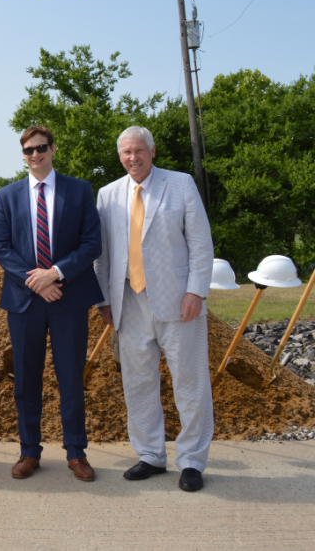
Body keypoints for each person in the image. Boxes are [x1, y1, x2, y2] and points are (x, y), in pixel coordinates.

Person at [94, 126, 214, 492]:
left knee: (190, 382)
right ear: (119, 156)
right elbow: (102, 255)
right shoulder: (108, 194)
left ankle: (191, 461)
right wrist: (103, 300)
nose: (133, 158)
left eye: (139, 151)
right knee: (138, 382)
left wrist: (196, 291)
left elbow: (200, 242)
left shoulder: (180, 185)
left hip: (180, 302)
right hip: (128, 301)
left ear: (153, 151)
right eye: (126, 152)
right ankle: (150, 455)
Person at [0, 126, 103, 482]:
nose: (35, 155)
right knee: (26, 379)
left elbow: (91, 243)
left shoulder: (80, 190)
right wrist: (37, 283)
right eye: (28, 150)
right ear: (22, 155)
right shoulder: (6, 196)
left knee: (70, 377)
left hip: (69, 298)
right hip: (26, 301)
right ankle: (29, 451)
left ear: (53, 149)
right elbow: (3, 248)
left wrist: (55, 274)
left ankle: (76, 452)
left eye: (41, 148)